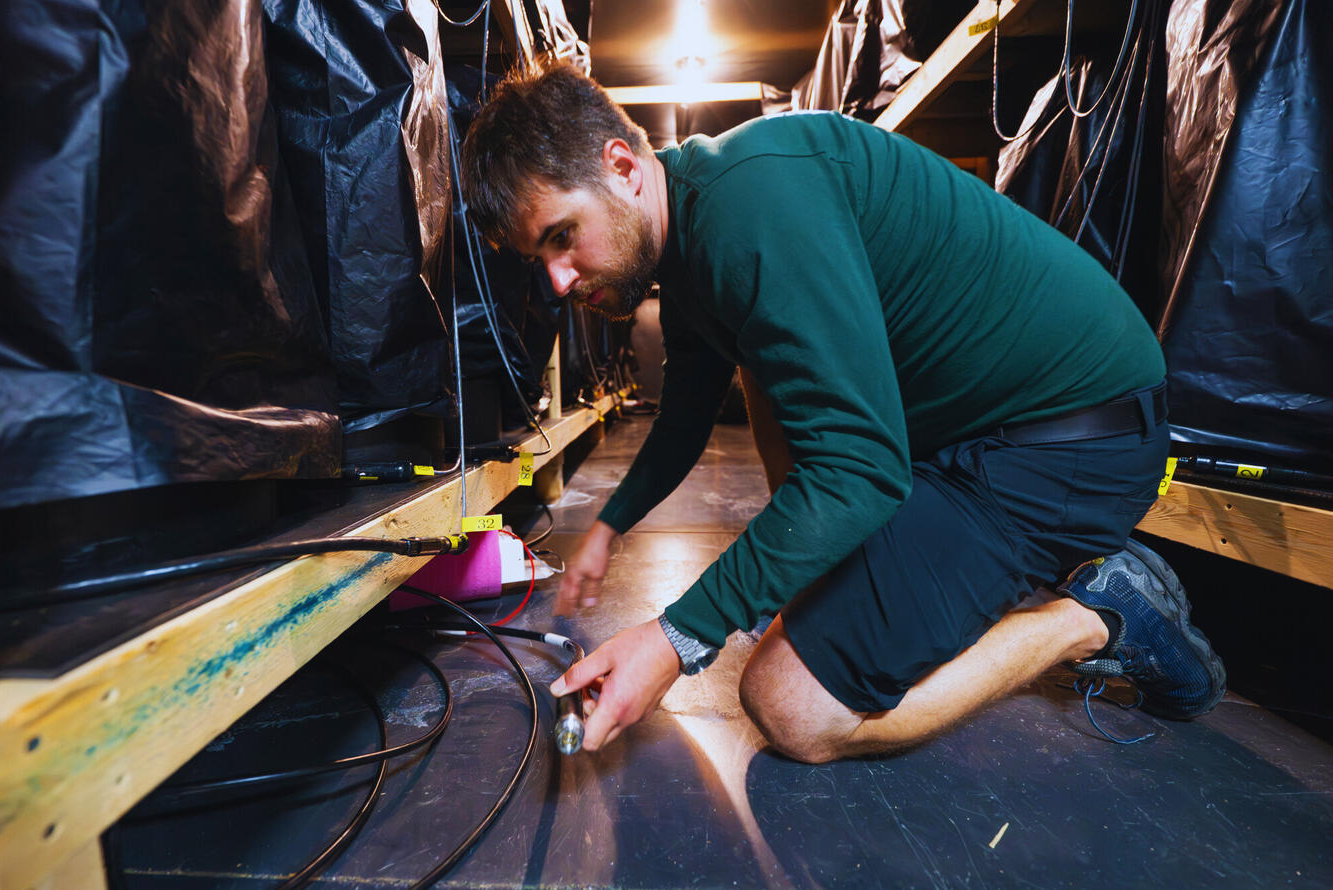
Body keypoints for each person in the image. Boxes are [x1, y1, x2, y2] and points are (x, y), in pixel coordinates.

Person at [459, 61, 1226, 762]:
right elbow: (687, 413)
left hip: (1070, 440)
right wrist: (609, 525)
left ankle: (1101, 612)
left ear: (621, 167)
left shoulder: (749, 213)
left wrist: (674, 639)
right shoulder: (688, 230)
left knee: (791, 707)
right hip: (969, 432)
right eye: (540, 259)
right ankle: (838, 574)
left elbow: (860, 468)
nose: (558, 280)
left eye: (563, 237)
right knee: (765, 374)